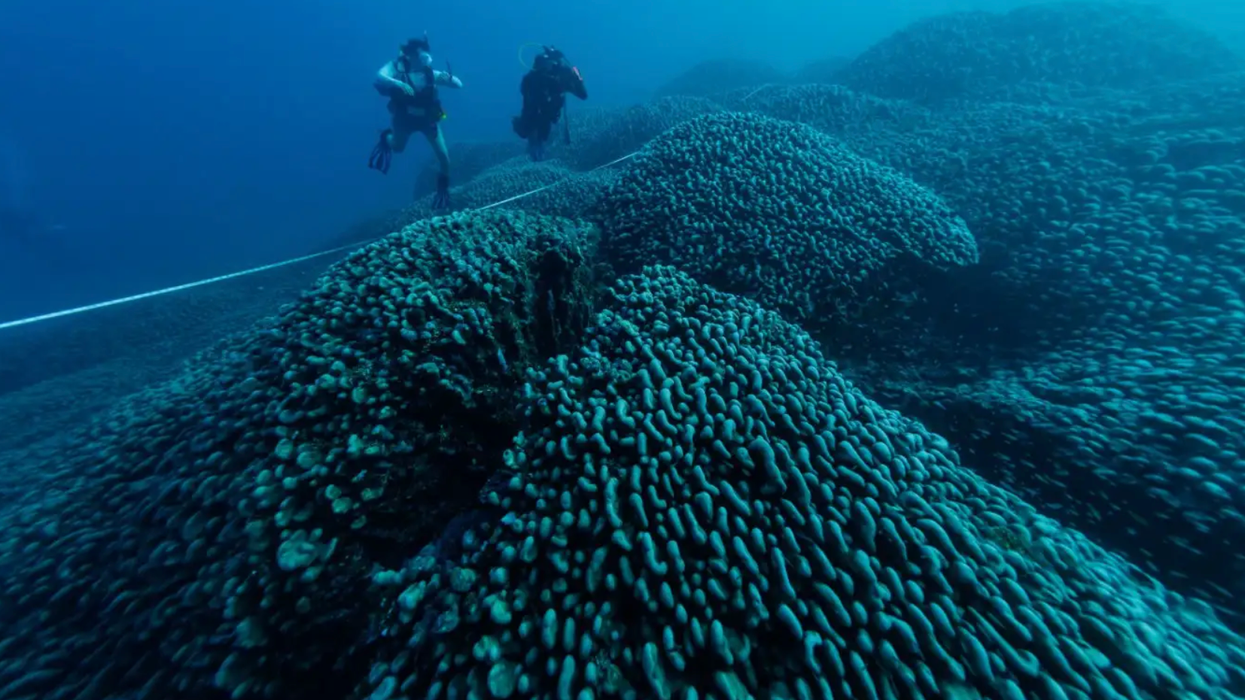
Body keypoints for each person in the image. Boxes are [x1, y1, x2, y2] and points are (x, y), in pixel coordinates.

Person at [368, 34, 463, 209]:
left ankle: (442, 193)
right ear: (411, 56)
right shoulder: (397, 70)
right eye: (422, 55)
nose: (426, 59)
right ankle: (386, 137)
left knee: (444, 157)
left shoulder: (431, 74)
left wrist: (449, 78)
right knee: (397, 147)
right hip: (404, 119)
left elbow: (459, 84)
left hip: (428, 119)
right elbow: (380, 76)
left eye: (427, 55)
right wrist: (397, 83)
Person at [512, 46, 587, 162]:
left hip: (549, 117)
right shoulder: (533, 79)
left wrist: (578, 80)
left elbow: (583, 95)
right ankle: (534, 156)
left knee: (543, 138)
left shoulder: (560, 80)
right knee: (532, 136)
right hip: (534, 117)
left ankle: (538, 157)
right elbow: (529, 102)